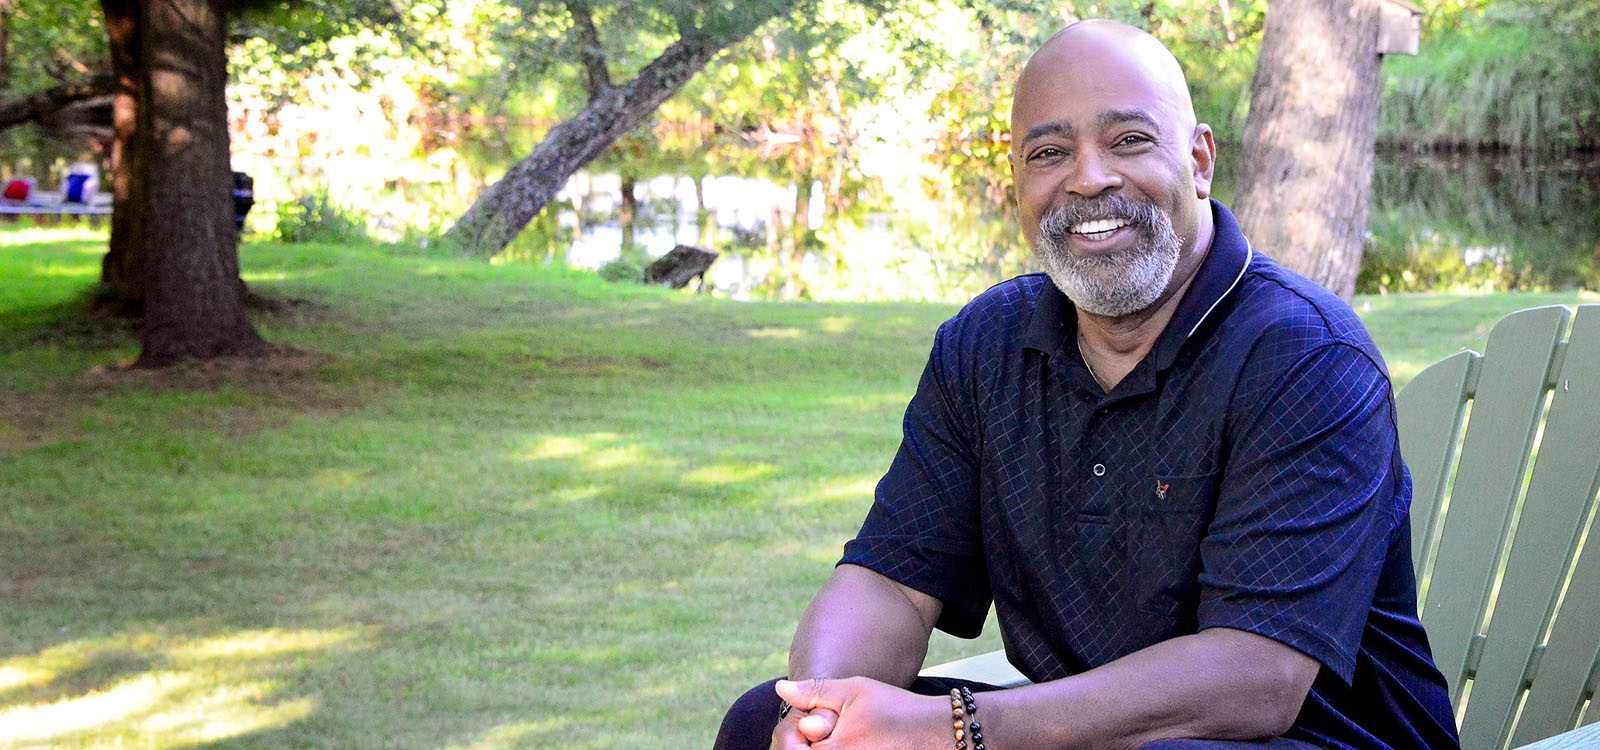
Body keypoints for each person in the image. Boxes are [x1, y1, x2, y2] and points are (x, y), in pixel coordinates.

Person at [714, 19, 1461, 750]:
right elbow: (891, 581)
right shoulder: (986, 349)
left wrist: (959, 730)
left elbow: (1257, 676)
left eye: (1129, 140)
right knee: (759, 722)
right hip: (1093, 733)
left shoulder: (1304, 357)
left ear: (1199, 161)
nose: (1088, 178)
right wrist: (819, 710)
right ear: (1017, 187)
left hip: (1327, 737)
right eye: (1049, 152)